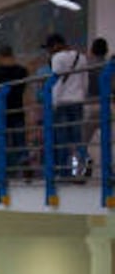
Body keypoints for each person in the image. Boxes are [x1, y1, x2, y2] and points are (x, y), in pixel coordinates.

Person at [45, 33, 89, 180]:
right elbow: (85, 81)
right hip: (77, 100)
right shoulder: (81, 57)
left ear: (55, 45)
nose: (48, 52)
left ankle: (64, 172)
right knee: (77, 136)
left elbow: (56, 82)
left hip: (62, 102)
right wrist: (82, 96)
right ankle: (84, 161)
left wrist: (53, 103)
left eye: (49, 48)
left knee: (62, 138)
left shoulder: (57, 58)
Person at [0, 45, 30, 169]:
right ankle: (24, 169)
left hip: (4, 110)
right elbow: (25, 93)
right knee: (20, 142)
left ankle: (6, 170)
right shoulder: (22, 70)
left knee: (4, 142)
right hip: (18, 109)